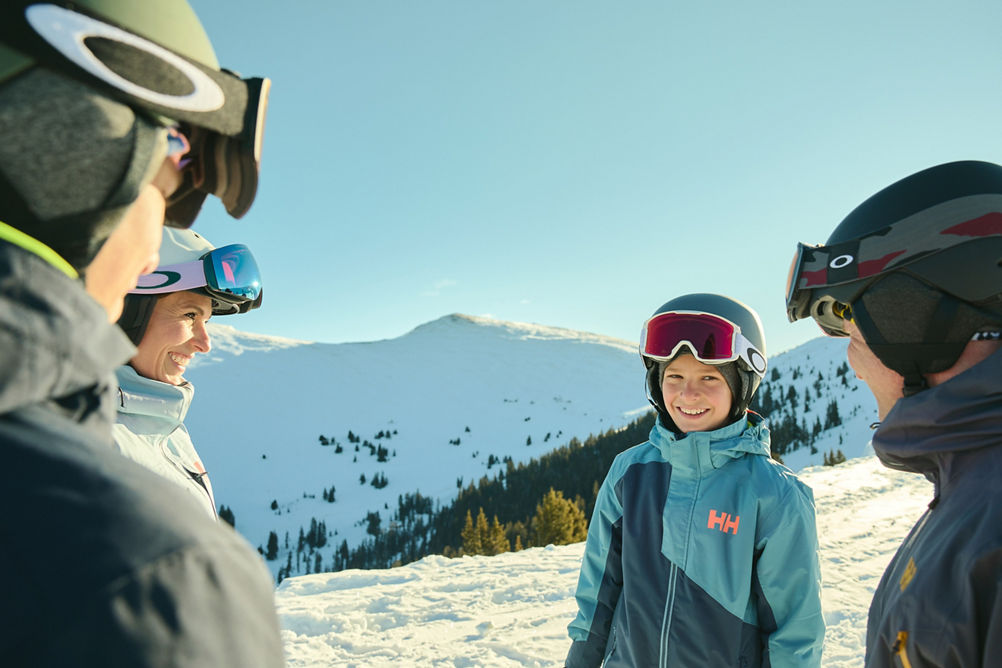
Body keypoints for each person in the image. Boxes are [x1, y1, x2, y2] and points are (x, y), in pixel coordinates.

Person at [0, 1, 284, 665]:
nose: (148, 249)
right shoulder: (152, 575)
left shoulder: (157, 439)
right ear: (75, 153)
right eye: (170, 172)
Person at [786, 159, 1002, 668]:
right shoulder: (970, 492)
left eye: (854, 328)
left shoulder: (989, 529)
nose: (853, 364)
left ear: (917, 316)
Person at [566, 293, 824, 668]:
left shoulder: (773, 494)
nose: (689, 393)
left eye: (709, 377)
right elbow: (596, 596)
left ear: (742, 384)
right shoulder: (630, 473)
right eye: (674, 376)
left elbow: (795, 631)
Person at [113, 227, 263, 519]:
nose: (204, 343)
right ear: (126, 311)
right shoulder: (86, 438)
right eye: (189, 315)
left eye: (205, 320)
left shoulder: (168, 431)